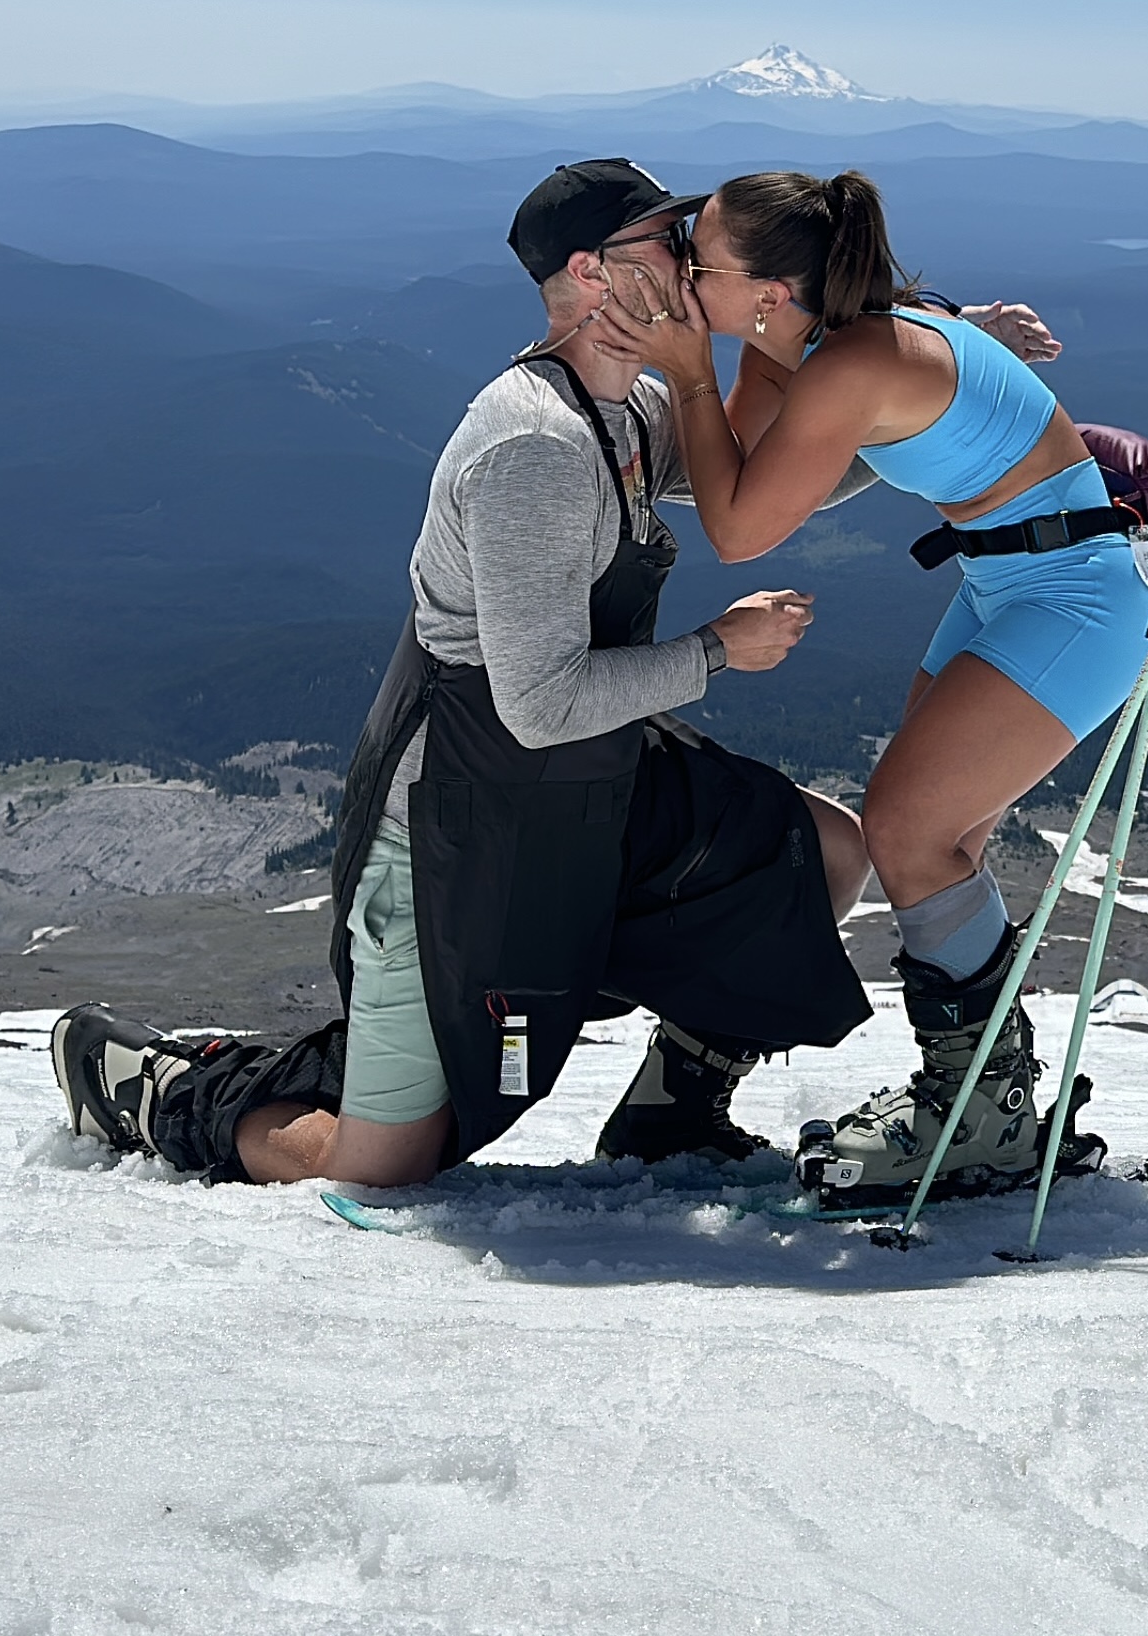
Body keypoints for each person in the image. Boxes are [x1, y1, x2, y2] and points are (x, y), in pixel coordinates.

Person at [52, 161, 886, 1186]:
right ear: (592, 273)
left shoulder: (623, 408)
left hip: (587, 782)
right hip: (461, 822)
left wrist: (911, 406)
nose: (688, 264)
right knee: (383, 1166)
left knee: (820, 855)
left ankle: (672, 1110)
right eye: (662, 244)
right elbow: (537, 704)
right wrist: (718, 649)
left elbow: (770, 474)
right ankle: (164, 1090)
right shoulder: (536, 445)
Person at [589, 170, 1144, 1205]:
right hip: (1016, 576)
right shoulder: (803, 335)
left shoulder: (851, 362)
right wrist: (696, 372)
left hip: (1073, 598)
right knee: (939, 838)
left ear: (768, 292)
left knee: (905, 826)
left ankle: (979, 1116)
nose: (679, 269)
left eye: (697, 258)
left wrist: (690, 371)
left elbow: (741, 529)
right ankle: (982, 1102)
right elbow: (737, 466)